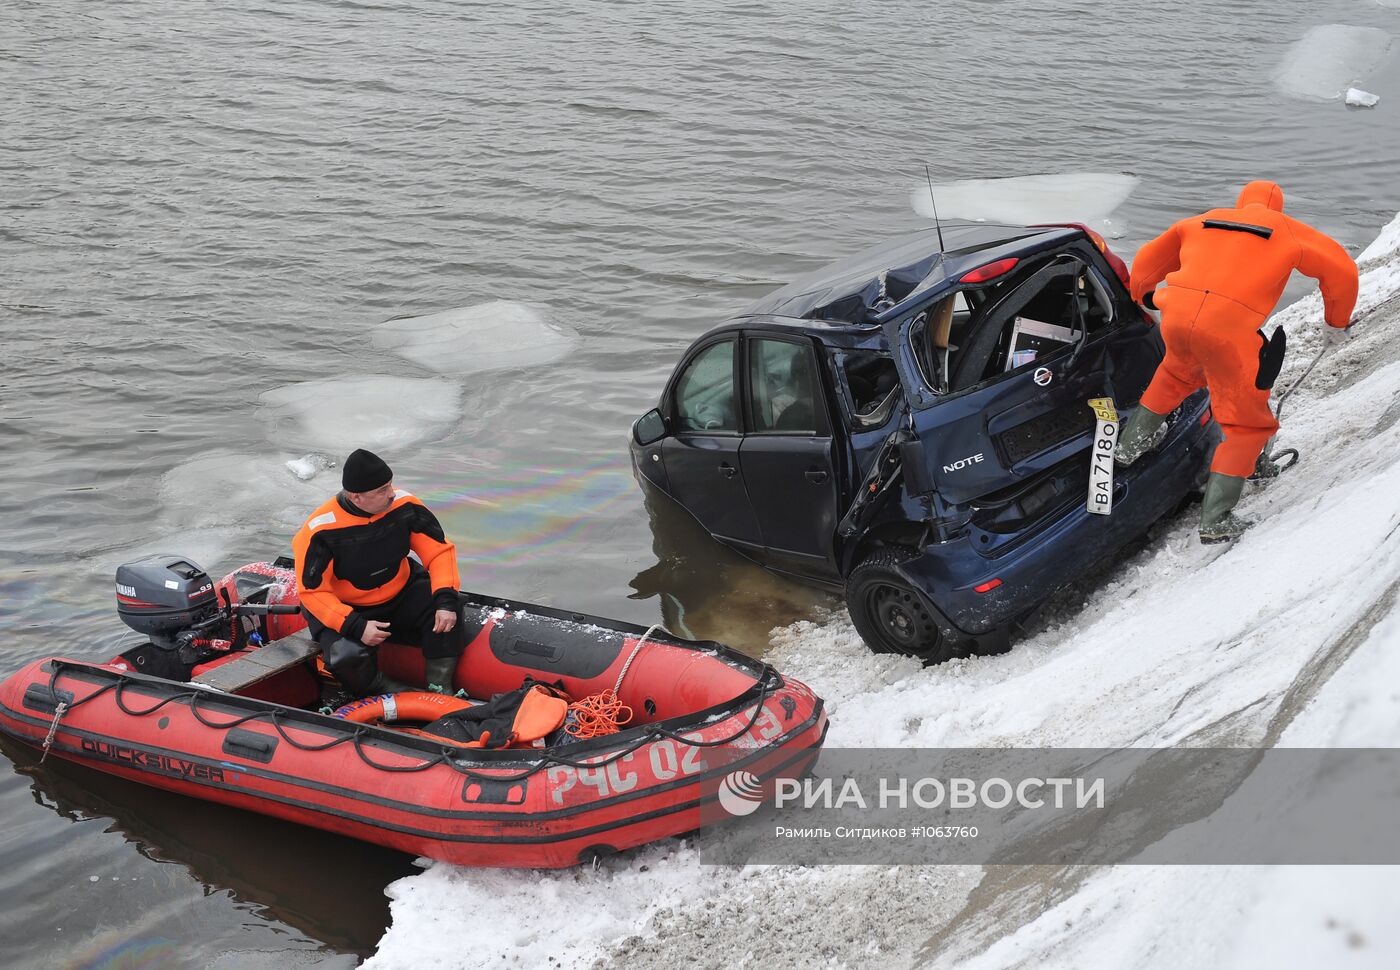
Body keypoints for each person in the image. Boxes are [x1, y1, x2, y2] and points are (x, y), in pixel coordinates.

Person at [1115, 180, 1359, 543]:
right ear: (1276, 207)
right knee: (1247, 425)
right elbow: (1341, 270)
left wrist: (1145, 295)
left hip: (1178, 319)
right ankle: (1216, 518)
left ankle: (1128, 446)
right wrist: (1336, 323)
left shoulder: (1201, 220)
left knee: (1175, 375)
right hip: (1228, 331)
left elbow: (1150, 256)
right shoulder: (1287, 230)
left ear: (1242, 202)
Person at [292, 448, 465, 696]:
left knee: (450, 608)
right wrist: (355, 625)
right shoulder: (320, 531)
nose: (391, 493)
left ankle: (439, 685)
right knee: (345, 654)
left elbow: (439, 552)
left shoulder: (405, 506)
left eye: (390, 485)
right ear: (356, 497)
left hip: (401, 591)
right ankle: (379, 688)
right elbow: (312, 592)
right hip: (349, 607)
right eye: (382, 490)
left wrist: (445, 601)